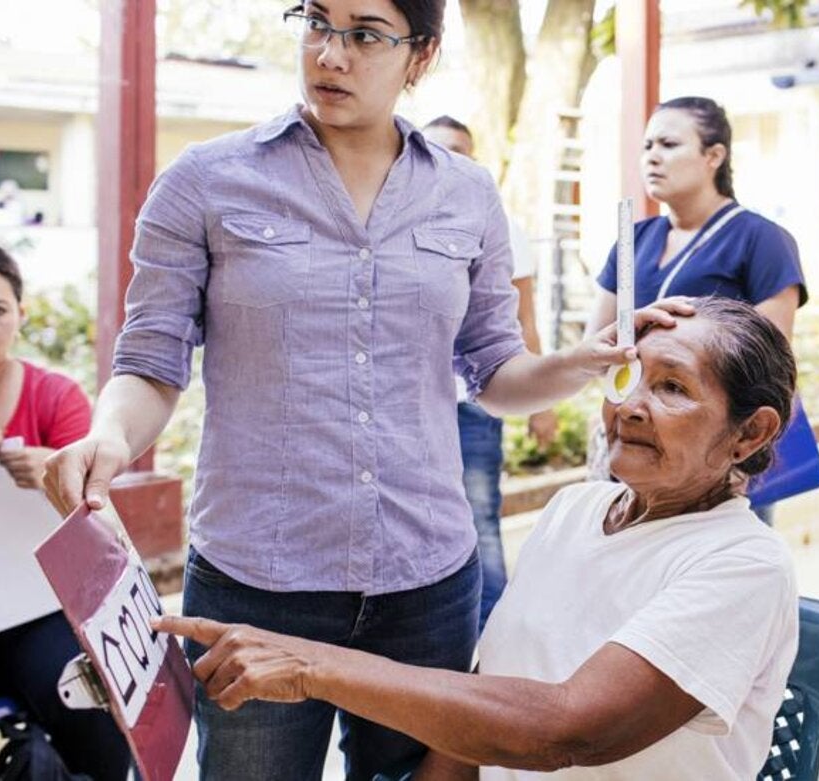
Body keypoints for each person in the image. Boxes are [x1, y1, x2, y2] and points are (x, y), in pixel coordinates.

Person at [40, 2, 688, 779]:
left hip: (427, 581)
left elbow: (496, 373)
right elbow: (150, 359)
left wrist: (585, 360)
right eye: (316, 22)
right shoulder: (206, 182)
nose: (331, 54)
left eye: (366, 33)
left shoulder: (467, 194)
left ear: (422, 54)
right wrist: (111, 435)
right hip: (260, 577)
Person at [158, 297, 798, 781]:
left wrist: (311, 667)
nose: (630, 407)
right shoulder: (576, 509)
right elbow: (486, 700)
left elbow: (563, 728)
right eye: (629, 379)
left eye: (673, 389)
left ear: (749, 435)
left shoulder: (743, 566)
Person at [0, 243, 131, 780]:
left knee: (89, 694)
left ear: (20, 316)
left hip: (36, 601)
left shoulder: (54, 396)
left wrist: (56, 482)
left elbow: (104, 529)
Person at [585, 96, 807, 524]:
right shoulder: (632, 240)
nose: (652, 157)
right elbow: (595, 348)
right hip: (636, 439)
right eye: (647, 146)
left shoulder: (762, 239)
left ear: (713, 156)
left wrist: (739, 460)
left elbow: (773, 369)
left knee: (718, 571)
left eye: (668, 144)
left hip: (717, 457)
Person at [421, 114, 558, 629]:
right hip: (409, 408)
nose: (448, 158)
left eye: (460, 149)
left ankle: (495, 657)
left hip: (477, 406)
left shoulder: (501, 226)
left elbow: (524, 323)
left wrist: (542, 407)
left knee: (480, 526)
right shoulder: (390, 219)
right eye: (436, 148)